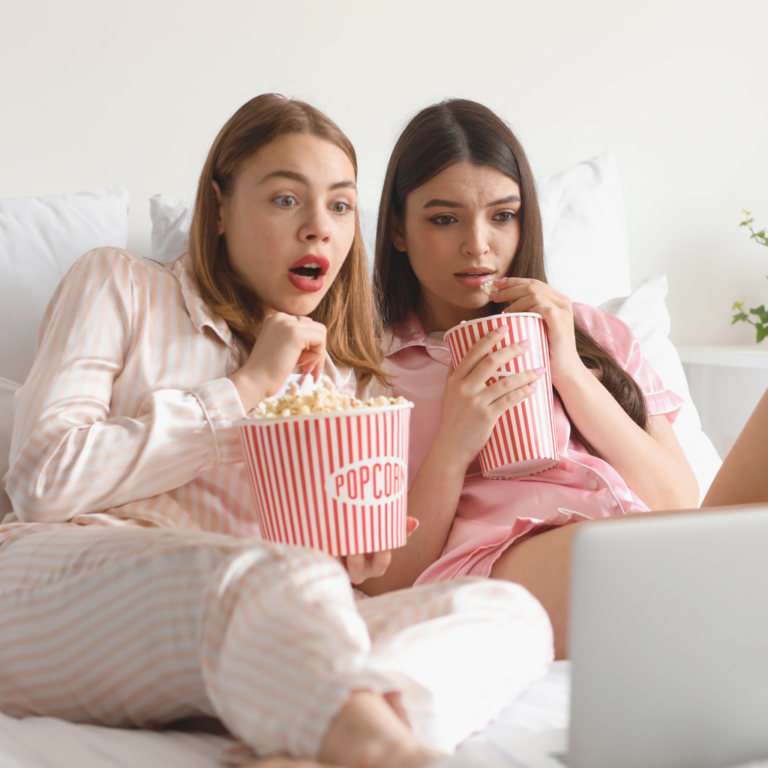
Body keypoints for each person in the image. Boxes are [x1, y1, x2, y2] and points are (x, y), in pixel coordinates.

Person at [0, 95, 553, 768]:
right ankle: (381, 751)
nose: (320, 229)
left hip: (247, 619)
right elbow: (40, 481)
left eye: (341, 206)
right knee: (267, 577)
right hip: (56, 584)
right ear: (222, 205)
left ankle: (332, 731)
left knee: (509, 613)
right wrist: (242, 391)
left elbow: (331, 573)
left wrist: (353, 558)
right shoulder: (119, 285)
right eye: (287, 200)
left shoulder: (344, 380)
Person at [362, 98, 701, 660]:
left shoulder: (594, 330)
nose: (479, 245)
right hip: (503, 561)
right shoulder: (370, 364)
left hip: (637, 540)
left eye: (502, 215)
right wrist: (453, 443)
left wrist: (567, 367)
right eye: (444, 219)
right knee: (628, 570)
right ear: (397, 229)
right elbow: (384, 581)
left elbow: (675, 500)